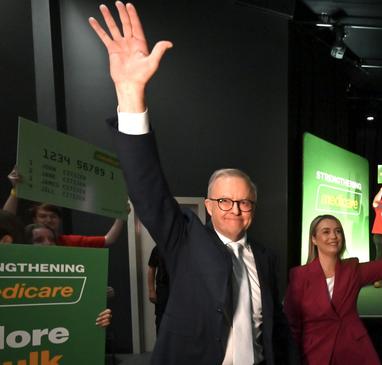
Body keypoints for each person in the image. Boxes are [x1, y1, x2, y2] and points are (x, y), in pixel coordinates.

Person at [88, 3, 292, 364]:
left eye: (244, 203)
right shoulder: (185, 241)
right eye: (225, 201)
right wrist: (131, 93)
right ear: (210, 206)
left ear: (253, 209)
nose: (235, 210)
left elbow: (274, 329)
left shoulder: (266, 259)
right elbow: (148, 190)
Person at [284, 214, 382, 364]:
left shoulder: (353, 269)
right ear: (314, 239)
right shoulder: (299, 276)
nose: (334, 236)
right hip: (315, 354)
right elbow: (293, 324)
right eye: (326, 231)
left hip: (353, 350)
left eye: (338, 231)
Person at [4, 168, 125, 247]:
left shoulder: (68, 242)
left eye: (53, 216)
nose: (48, 220)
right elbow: (6, 221)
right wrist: (15, 190)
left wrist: (121, 214)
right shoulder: (22, 239)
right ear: (34, 219)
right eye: (43, 216)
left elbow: (108, 239)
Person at [147, 246, 169, 333]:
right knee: (161, 321)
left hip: (179, 291)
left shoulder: (181, 248)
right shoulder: (158, 248)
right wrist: (151, 290)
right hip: (163, 290)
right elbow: (151, 269)